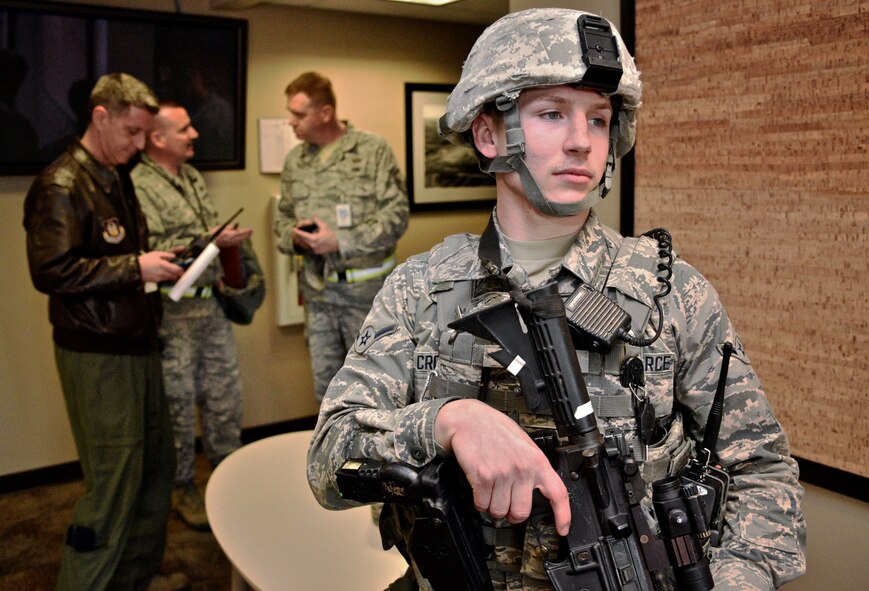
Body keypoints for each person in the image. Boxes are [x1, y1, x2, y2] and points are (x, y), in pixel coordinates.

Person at [307, 9, 806, 591]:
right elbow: (328, 464)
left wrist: (735, 581)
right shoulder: (421, 290)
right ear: (489, 134)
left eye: (598, 120)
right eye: (552, 114)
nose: (581, 141)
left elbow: (764, 473)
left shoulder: (672, 295)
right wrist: (447, 420)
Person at [23, 73, 189, 591]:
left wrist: (148, 264)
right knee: (114, 482)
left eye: (145, 134)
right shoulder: (62, 184)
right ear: (101, 117)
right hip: (97, 353)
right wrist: (136, 269)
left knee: (155, 470)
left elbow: (117, 255)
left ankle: (133, 581)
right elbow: (50, 270)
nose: (139, 145)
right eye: (132, 132)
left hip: (136, 343)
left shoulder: (113, 175)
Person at [132, 102, 252, 531]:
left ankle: (230, 476)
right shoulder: (137, 184)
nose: (195, 134)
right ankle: (182, 486)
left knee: (224, 398)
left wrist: (223, 242)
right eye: (184, 128)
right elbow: (153, 244)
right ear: (158, 138)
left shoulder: (192, 177)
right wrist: (209, 239)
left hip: (210, 306)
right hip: (171, 311)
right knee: (178, 405)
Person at [273, 71, 409, 402]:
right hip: (318, 296)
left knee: (377, 388)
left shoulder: (371, 150)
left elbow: (396, 216)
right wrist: (293, 237)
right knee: (327, 391)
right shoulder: (295, 161)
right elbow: (282, 218)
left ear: (325, 112)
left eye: (298, 114)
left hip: (367, 299)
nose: (290, 122)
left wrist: (340, 242)